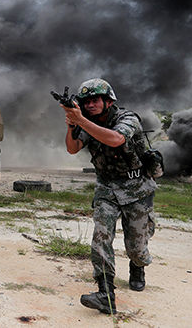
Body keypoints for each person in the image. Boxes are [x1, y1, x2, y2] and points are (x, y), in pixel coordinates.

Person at [59, 78, 156, 314]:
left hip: (137, 188)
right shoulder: (86, 122)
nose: (90, 105)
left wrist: (80, 119)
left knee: (137, 249)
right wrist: (72, 125)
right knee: (101, 237)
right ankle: (106, 293)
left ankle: (137, 265)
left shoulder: (128, 118)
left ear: (108, 100)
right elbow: (72, 148)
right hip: (107, 188)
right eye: (86, 102)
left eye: (95, 100)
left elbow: (116, 139)